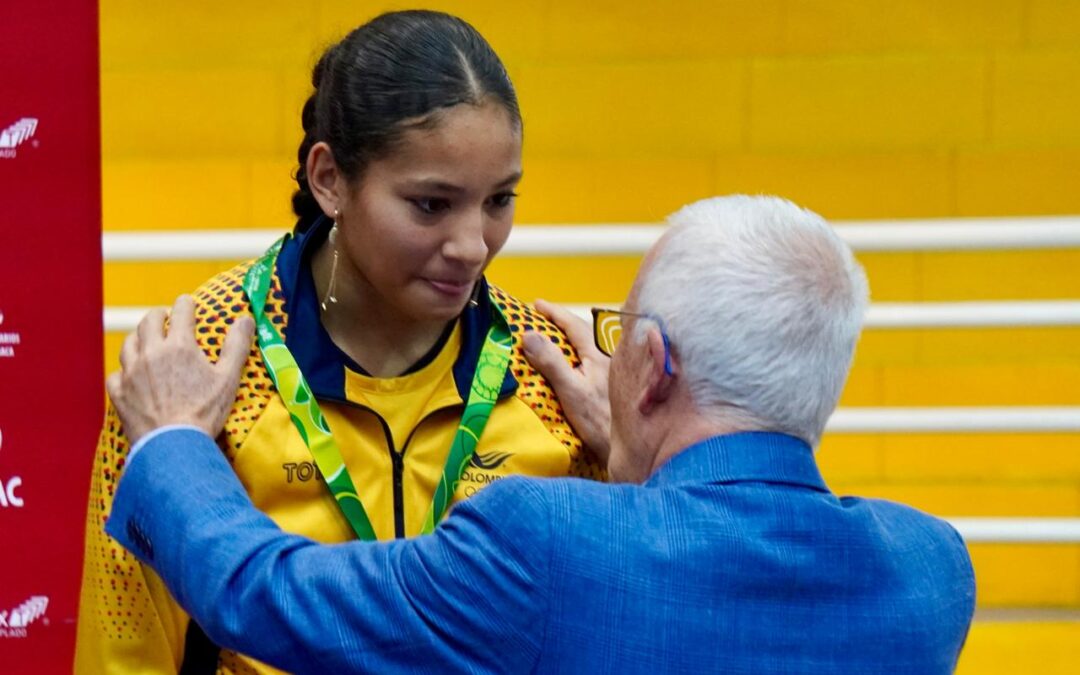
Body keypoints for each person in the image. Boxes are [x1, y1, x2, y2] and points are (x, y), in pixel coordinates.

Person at [104, 195, 976, 674]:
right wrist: (642, 455)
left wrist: (172, 440)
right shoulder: (933, 570)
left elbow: (266, 593)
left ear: (655, 363)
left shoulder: (549, 540)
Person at [75, 11, 601, 674]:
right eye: (431, 204)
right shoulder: (192, 371)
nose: (473, 246)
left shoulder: (565, 385)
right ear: (329, 179)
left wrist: (646, 471)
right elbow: (126, 646)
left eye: (499, 200)